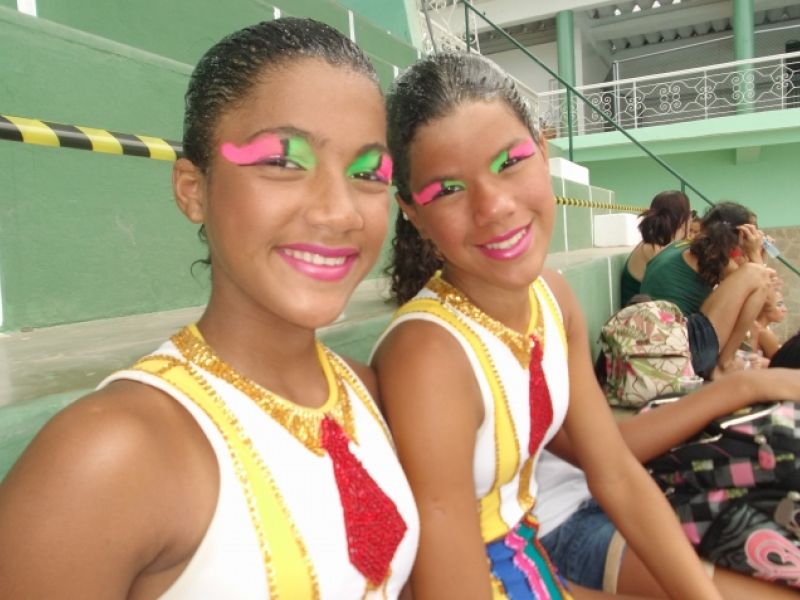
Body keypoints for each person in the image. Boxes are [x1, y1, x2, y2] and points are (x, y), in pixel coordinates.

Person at [0, 19, 419, 598]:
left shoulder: (364, 392)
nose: (340, 212)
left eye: (367, 173)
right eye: (283, 161)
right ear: (193, 189)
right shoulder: (109, 456)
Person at [372, 51, 721, 599]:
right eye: (448, 190)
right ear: (413, 212)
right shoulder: (429, 356)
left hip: (531, 554)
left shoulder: (551, 297)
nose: (493, 207)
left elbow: (615, 474)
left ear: (543, 151)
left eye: (509, 161)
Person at [535, 365, 800, 598]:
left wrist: (747, 385)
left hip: (626, 491)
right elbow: (606, 458)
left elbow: (611, 464)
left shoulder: (558, 328)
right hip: (561, 522)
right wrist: (746, 385)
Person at [641, 201, 775, 379]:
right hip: (683, 351)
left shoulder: (684, 249)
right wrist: (756, 254)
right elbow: (765, 294)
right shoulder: (717, 259)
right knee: (757, 273)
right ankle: (725, 364)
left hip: (661, 342)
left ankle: (724, 362)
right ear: (742, 235)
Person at [620, 190, 692, 307]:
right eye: (691, 214)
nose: (692, 219)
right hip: (639, 315)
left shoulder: (660, 245)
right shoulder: (652, 248)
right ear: (682, 220)